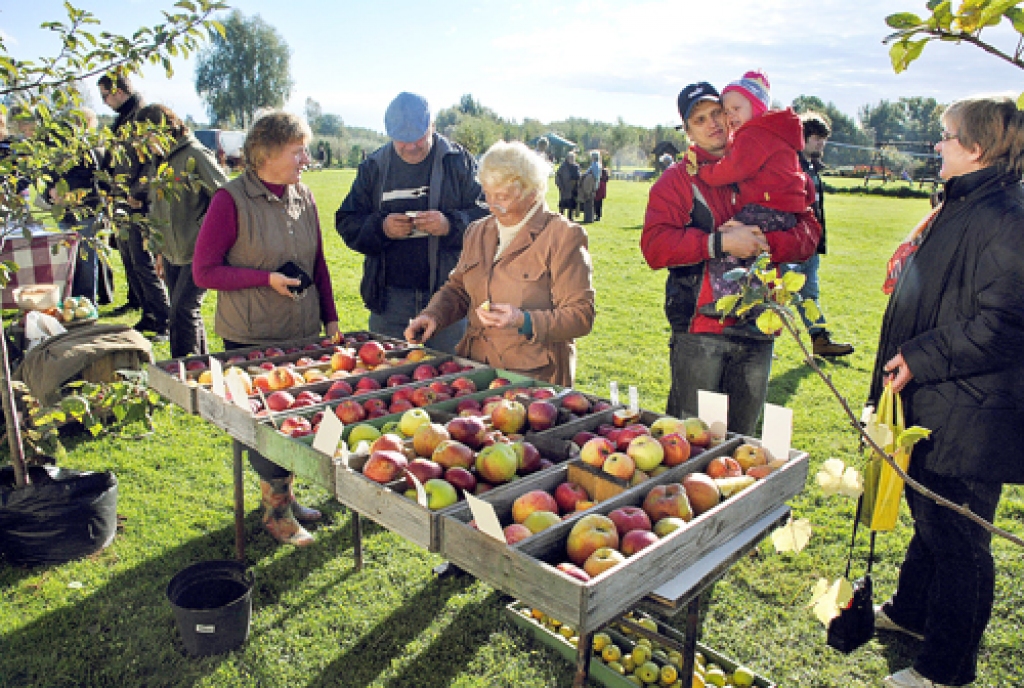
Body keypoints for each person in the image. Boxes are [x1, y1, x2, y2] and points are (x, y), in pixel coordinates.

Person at [869, 96, 1024, 688]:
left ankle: (946, 670)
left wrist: (920, 356)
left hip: (972, 410)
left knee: (959, 539)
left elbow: (1005, 325)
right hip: (937, 399)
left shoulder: (1005, 218)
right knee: (931, 515)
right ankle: (911, 614)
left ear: (977, 148)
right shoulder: (961, 204)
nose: (937, 144)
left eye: (947, 135)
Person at [193, 111, 340, 547]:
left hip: (301, 330)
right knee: (265, 425)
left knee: (297, 416)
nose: (306, 159)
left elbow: (317, 262)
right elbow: (204, 271)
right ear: (267, 153)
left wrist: (330, 317)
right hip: (252, 335)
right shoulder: (230, 200)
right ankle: (275, 513)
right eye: (298, 151)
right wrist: (264, 279)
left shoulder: (304, 196)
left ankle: (286, 497)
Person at [641, 82, 820, 435]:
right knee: (692, 440)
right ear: (687, 131)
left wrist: (766, 242)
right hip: (703, 329)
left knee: (741, 441)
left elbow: (810, 232)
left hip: (759, 326)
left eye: (717, 112)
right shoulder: (678, 180)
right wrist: (719, 243)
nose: (713, 123)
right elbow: (655, 246)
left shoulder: (766, 156)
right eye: (699, 119)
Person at [405, 141, 595, 387]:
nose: (492, 205)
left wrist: (524, 320)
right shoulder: (477, 231)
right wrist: (433, 315)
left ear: (532, 193)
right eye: (487, 194)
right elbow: (458, 288)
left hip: (533, 380)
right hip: (475, 369)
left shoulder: (563, 236)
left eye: (502, 197)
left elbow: (581, 315)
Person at [336, 92, 487, 354]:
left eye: (419, 137)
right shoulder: (374, 166)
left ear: (432, 126)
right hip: (390, 301)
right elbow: (347, 221)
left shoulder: (458, 161)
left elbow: (488, 216)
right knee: (388, 371)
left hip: (448, 300)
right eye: (402, 140)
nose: (411, 147)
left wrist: (449, 225)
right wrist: (382, 228)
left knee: (452, 372)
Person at [693, 71, 810, 334]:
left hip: (769, 206)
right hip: (781, 208)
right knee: (755, 259)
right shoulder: (770, 132)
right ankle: (754, 312)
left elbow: (734, 168)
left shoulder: (754, 134)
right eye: (726, 111)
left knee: (728, 243)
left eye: (737, 108)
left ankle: (730, 302)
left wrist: (704, 172)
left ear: (756, 107)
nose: (730, 115)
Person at [137, 104, 227, 358]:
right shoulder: (159, 161)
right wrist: (159, 251)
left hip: (197, 249)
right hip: (171, 251)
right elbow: (157, 207)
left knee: (182, 311)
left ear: (164, 129)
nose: (143, 144)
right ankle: (201, 366)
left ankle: (182, 370)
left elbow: (224, 195)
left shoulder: (195, 154)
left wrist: (202, 230)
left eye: (146, 136)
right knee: (186, 314)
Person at [98, 73, 171, 334]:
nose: (104, 102)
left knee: (143, 261)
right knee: (129, 258)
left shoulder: (141, 117)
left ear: (118, 91)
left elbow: (152, 162)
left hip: (137, 202)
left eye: (105, 96)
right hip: (121, 197)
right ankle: (147, 312)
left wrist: (138, 194)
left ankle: (164, 319)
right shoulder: (122, 119)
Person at [787, 112, 854, 357]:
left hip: (811, 244)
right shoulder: (790, 167)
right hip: (792, 245)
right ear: (802, 137)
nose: (821, 143)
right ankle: (758, 343)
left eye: (823, 138)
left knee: (809, 295)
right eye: (816, 138)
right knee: (776, 294)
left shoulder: (812, 168)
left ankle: (820, 340)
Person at [44, 108, 109, 305]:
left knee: (87, 258)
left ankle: (87, 301)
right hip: (64, 212)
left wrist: (67, 192)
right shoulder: (56, 150)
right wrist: (50, 192)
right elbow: (47, 175)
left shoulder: (89, 150)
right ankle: (71, 299)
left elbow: (89, 178)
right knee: (68, 258)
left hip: (86, 210)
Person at [555, 151, 581, 221]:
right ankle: (561, 217)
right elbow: (558, 177)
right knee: (563, 203)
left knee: (571, 203)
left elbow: (579, 176)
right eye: (571, 158)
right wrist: (560, 187)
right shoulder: (563, 167)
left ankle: (570, 217)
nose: (572, 159)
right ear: (567, 158)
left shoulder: (576, 166)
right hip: (564, 188)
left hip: (573, 188)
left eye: (573, 158)